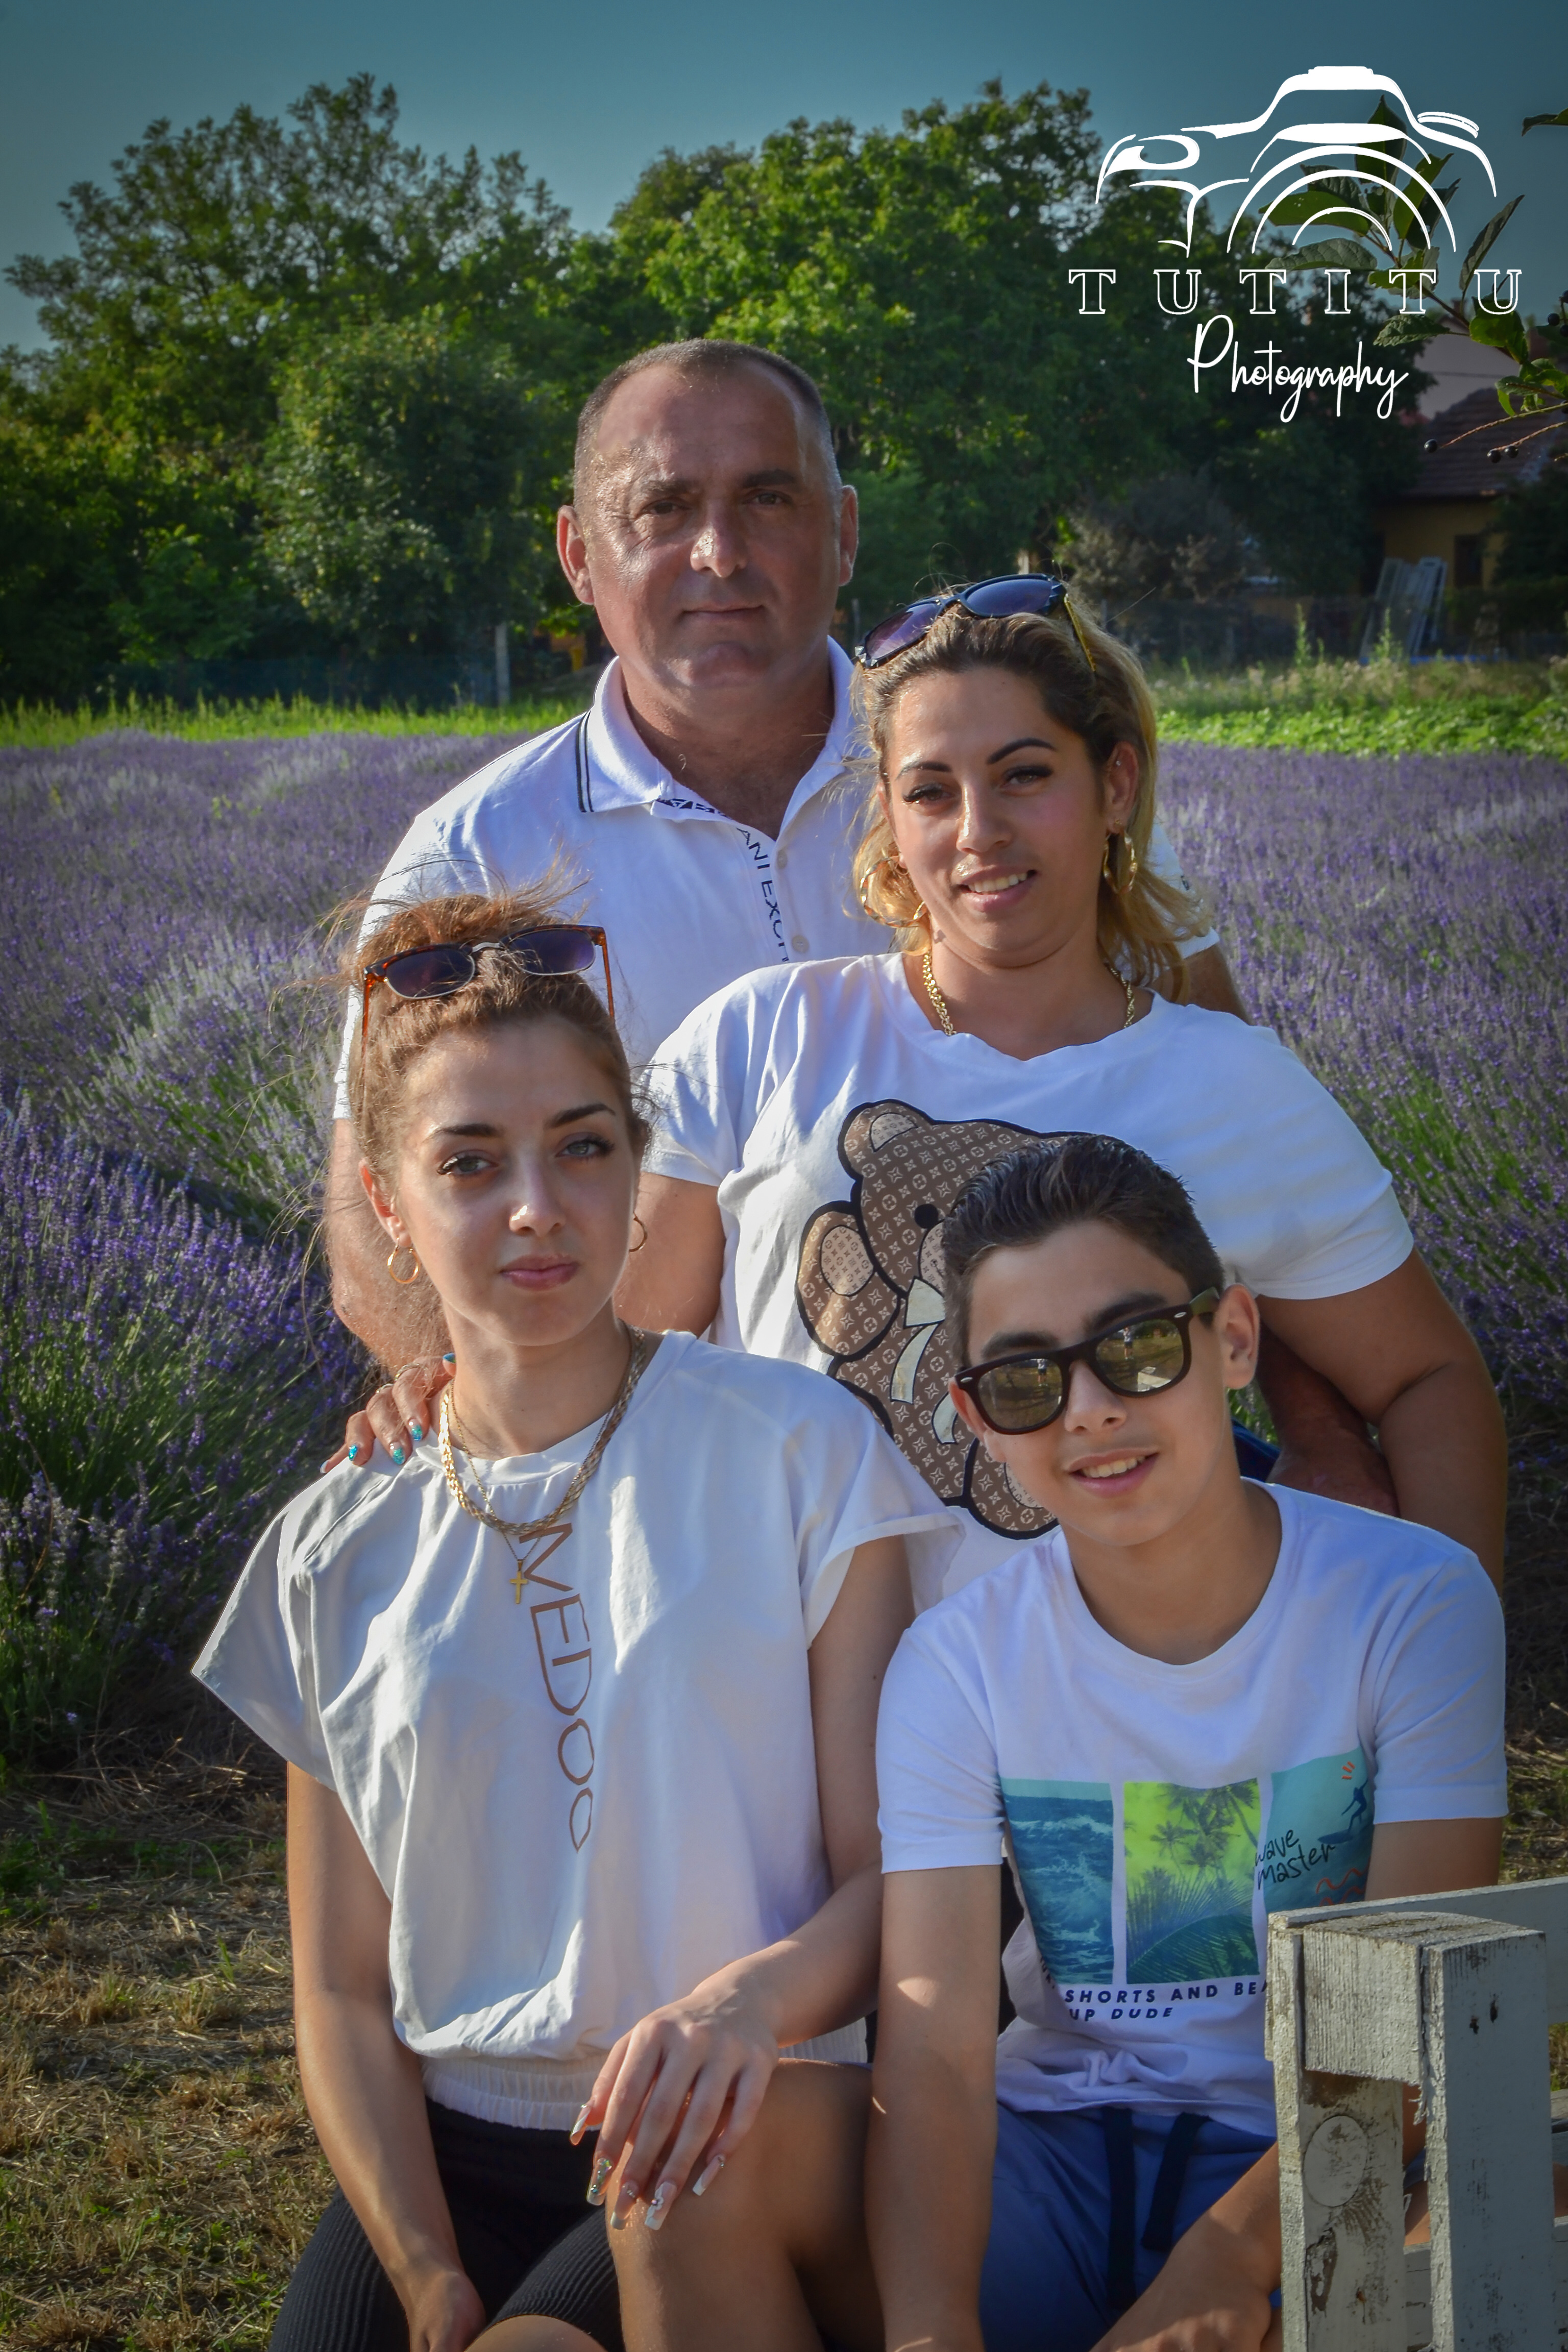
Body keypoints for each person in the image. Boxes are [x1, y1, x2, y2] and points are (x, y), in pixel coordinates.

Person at [193, 887, 950, 2352]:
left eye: (583, 1147)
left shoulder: (798, 1455)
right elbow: (341, 1990)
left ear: (637, 1167)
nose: (536, 1206)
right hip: (454, 2156)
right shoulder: (333, 1545)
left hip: (734, 2122)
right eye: (470, 1163)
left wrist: (747, 2007)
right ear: (389, 1204)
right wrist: (423, 2268)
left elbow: (889, 1882)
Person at [610, 1136, 1505, 2352]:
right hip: (1056, 2158)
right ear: (977, 1417)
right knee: (699, 2169)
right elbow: (935, 2053)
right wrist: (933, 2331)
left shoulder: (1413, 1604)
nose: (1091, 1411)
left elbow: (1401, 2029)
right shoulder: (959, 1662)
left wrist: (1225, 2264)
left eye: (1137, 1346)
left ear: (1234, 1337)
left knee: (1465, 2242)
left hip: (1325, 2161)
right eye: (1028, 1379)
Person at [325, 336, 1261, 1463]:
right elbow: (377, 1205)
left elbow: (1233, 1104)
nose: (719, 554)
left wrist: (1314, 1429)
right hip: (683, 1480)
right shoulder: (477, 851)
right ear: (579, 553)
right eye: (662, 509)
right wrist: (492, 1432)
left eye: (769, 499)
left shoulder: (980, 771)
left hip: (1069, 1453)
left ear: (845, 532)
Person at [621, 596, 1506, 1595]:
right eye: (930, 791)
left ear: (1115, 785)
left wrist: (1445, 1655)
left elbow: (1429, 1379)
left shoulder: (1237, 1085)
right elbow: (620, 1370)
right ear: (891, 822)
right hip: (788, 1672)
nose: (979, 831)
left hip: (1122, 1691)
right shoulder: (756, 1037)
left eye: (1025, 775)